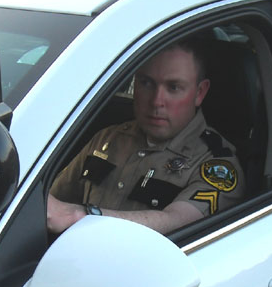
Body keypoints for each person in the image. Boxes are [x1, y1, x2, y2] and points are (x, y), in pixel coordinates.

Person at [47, 38, 244, 235]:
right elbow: (52, 204)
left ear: (199, 93)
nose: (157, 101)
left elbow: (178, 222)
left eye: (173, 87)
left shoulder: (216, 165)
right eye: (146, 83)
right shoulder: (108, 139)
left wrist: (83, 216)